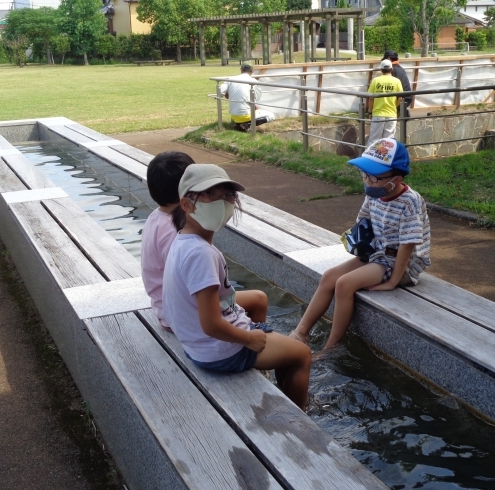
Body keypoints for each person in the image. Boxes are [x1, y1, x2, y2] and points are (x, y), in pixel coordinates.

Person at [162, 164, 311, 410]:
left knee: (258, 298)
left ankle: (262, 367)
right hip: (217, 351)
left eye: (228, 195)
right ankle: (298, 419)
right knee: (302, 355)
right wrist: (248, 338)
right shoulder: (201, 254)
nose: (222, 202)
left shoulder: (184, 241)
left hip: (197, 344)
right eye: (210, 194)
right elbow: (211, 324)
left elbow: (206, 306)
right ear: (187, 205)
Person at [289, 139, 430, 351]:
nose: (368, 182)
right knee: (329, 276)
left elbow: (407, 244)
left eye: (374, 177)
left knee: (344, 284)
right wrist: (359, 247)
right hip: (378, 254)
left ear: (396, 179)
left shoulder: (410, 201)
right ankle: (301, 333)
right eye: (364, 175)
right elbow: (364, 222)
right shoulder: (375, 193)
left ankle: (330, 348)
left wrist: (393, 281)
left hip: (400, 264)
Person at [141, 153, 267, 333]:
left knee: (257, 298)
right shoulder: (173, 232)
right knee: (258, 300)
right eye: (208, 192)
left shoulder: (157, 217)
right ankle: (254, 349)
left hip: (164, 307)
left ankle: (257, 340)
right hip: (180, 316)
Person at [220, 63, 276, 132]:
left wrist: (228, 93)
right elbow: (257, 98)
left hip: (233, 115)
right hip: (247, 115)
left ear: (241, 70)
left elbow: (219, 92)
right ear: (252, 71)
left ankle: (239, 124)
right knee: (271, 116)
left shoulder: (230, 79)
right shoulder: (253, 81)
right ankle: (247, 124)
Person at [367, 59, 403, 142]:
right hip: (391, 114)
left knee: (373, 139)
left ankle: (369, 155)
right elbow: (400, 98)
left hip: (377, 114)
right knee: (388, 141)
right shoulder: (397, 81)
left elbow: (371, 98)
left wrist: (370, 111)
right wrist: (395, 107)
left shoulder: (375, 81)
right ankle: (386, 155)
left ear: (381, 69)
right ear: (391, 69)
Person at [382, 50, 412, 117]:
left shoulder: (392, 70)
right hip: (407, 98)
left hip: (402, 100)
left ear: (389, 58)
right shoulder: (399, 68)